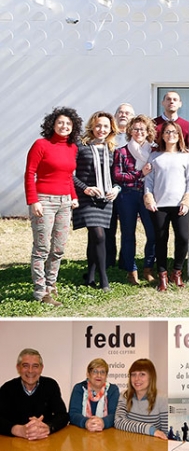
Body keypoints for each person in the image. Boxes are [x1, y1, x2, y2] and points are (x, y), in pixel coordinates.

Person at [24, 107, 82, 307]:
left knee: (58, 248)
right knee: (42, 248)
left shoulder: (72, 148)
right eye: (60, 122)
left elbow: (68, 177)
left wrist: (73, 197)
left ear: (73, 127)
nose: (64, 126)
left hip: (65, 202)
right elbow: (30, 173)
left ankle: (51, 285)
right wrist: (33, 200)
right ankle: (40, 292)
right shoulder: (41, 145)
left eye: (68, 123)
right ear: (52, 124)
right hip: (44, 201)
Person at [144, 121, 189, 291]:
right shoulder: (154, 156)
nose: (170, 134)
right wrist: (149, 198)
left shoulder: (186, 156)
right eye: (167, 131)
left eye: (174, 132)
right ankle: (162, 275)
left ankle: (177, 272)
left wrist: (187, 201)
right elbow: (149, 180)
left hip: (180, 205)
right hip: (159, 206)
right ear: (162, 135)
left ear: (179, 135)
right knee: (161, 240)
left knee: (183, 238)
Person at [73, 111, 120, 291]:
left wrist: (116, 189)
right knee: (99, 236)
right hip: (85, 198)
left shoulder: (112, 149)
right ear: (92, 126)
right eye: (98, 125)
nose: (102, 129)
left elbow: (116, 178)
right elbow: (69, 174)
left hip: (105, 200)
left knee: (94, 239)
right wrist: (85, 188)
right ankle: (104, 279)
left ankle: (90, 277)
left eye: (106, 126)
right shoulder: (80, 146)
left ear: (111, 129)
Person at [113, 114, 157, 285]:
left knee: (152, 234)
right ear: (130, 131)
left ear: (148, 132)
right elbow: (118, 176)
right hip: (127, 195)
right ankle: (131, 270)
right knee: (128, 233)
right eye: (136, 129)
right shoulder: (121, 152)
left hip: (148, 195)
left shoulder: (154, 151)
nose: (139, 132)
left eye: (142, 129)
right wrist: (140, 174)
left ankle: (148, 268)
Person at [0, 348, 69, 439]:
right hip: (15, 441)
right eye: (25, 366)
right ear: (18, 368)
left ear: (41, 368)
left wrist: (48, 427)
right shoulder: (7, 388)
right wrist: (19, 430)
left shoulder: (50, 385)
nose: (30, 371)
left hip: (44, 440)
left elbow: (63, 415)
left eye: (35, 366)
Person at [108, 103, 135, 269]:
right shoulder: (107, 136)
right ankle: (107, 262)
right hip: (108, 189)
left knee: (128, 229)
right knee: (108, 228)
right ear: (115, 115)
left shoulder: (136, 138)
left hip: (128, 189)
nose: (123, 115)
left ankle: (126, 263)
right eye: (120, 112)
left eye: (127, 113)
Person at [115, 358, 168, 439]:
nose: (137, 379)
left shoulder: (162, 399)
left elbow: (166, 434)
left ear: (151, 377)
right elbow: (119, 422)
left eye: (142, 374)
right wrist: (150, 430)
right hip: (129, 445)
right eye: (133, 374)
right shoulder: (125, 395)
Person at [68, 358, 120, 432]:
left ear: (106, 376)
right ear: (88, 374)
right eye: (95, 371)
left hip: (107, 432)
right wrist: (86, 422)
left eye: (102, 372)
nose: (99, 375)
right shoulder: (79, 388)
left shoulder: (112, 389)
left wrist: (103, 422)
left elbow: (115, 414)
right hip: (81, 432)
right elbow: (73, 413)